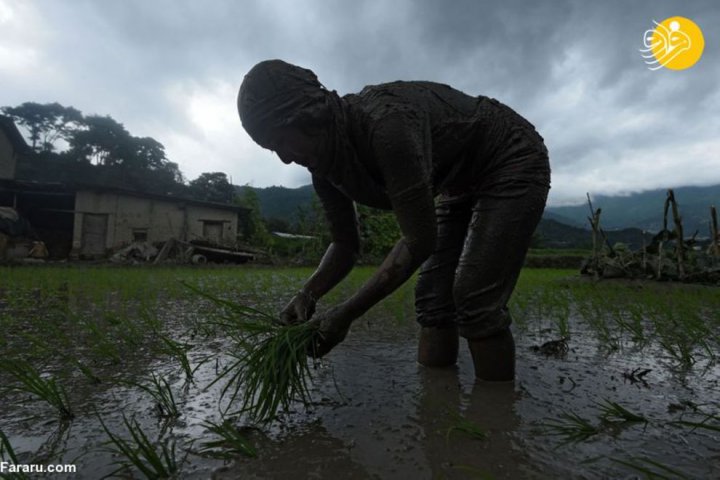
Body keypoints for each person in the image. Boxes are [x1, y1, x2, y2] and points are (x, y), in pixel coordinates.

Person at [237, 59, 550, 381]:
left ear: (308, 115)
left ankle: (497, 416)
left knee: (475, 297)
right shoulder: (324, 167)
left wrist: (344, 315)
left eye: (282, 141)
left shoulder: (387, 125)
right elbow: (345, 244)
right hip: (456, 184)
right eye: (271, 149)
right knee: (431, 298)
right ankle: (438, 404)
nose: (285, 158)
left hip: (510, 156)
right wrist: (307, 294)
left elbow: (420, 239)